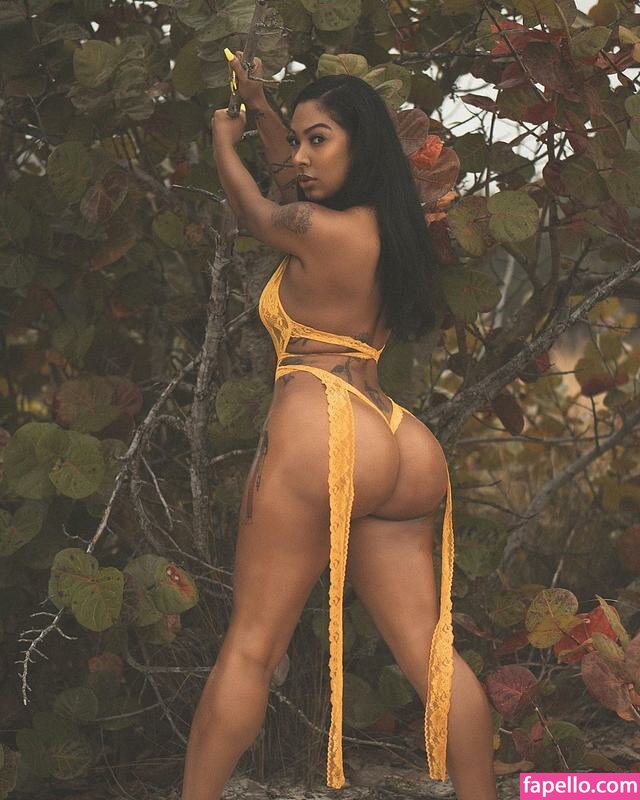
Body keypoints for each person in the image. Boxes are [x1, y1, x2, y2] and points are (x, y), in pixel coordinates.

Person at [180, 52, 498, 800]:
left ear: (362, 145)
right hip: (401, 439)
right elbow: (289, 181)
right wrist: (264, 110)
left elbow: (257, 211)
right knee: (431, 654)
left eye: (317, 140)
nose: (299, 156)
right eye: (297, 140)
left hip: (321, 424)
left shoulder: (315, 229)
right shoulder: (391, 230)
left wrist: (222, 141)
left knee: (251, 648)